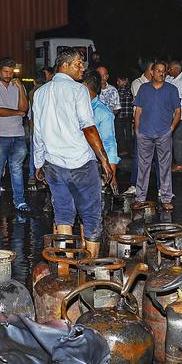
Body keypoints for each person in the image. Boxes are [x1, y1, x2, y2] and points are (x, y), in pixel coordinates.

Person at [32, 47, 117, 258]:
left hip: (53, 164)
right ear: (65, 65)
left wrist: (38, 162)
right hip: (81, 165)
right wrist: (104, 161)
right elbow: (88, 127)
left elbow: (38, 131)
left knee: (63, 215)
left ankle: (65, 268)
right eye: (78, 63)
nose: (83, 68)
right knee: (90, 216)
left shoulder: (40, 93)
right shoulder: (79, 91)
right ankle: (89, 268)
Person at [126, 60, 181, 211]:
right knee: (143, 167)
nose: (161, 73)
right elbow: (138, 111)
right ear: (152, 72)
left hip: (164, 133)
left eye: (164, 71)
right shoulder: (144, 89)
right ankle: (140, 198)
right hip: (144, 133)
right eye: (158, 71)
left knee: (164, 167)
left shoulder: (171, 89)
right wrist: (137, 130)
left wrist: (171, 128)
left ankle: (166, 198)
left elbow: (177, 111)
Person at [0, 57, 30, 214]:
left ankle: (20, 201)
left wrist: (20, 88)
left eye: (11, 72)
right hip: (0, 136)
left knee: (17, 169)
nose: (8, 75)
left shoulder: (17, 86)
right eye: (5, 72)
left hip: (18, 135)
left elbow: (24, 108)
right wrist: (17, 112)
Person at [84, 69, 119, 176]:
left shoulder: (102, 113)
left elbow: (109, 143)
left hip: (89, 165)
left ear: (84, 85)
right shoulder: (73, 106)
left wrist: (111, 173)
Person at [166, 60, 182, 171]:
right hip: (171, 114)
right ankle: (172, 161)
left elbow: (176, 100)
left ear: (176, 69)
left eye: (170, 69)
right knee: (170, 139)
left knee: (177, 140)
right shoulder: (171, 79)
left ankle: (181, 163)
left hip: (180, 116)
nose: (168, 71)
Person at [115, 73, 134, 154]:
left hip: (128, 115)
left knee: (129, 133)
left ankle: (131, 150)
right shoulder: (116, 90)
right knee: (120, 133)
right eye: (118, 81)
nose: (118, 83)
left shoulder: (130, 90)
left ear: (125, 81)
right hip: (119, 115)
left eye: (120, 81)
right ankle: (123, 150)